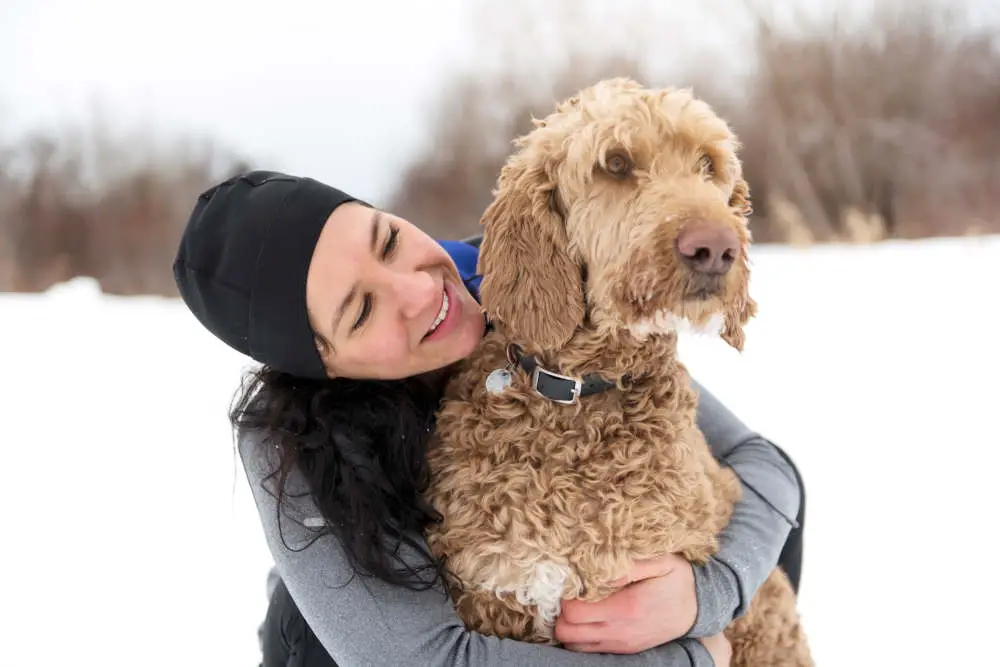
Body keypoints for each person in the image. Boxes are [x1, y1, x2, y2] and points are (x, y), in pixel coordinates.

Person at [173, 170, 805, 667]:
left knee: (754, 527)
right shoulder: (283, 442)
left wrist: (707, 596)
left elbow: (764, 466)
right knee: (312, 636)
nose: (421, 291)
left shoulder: (520, 280)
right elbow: (410, 659)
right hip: (375, 643)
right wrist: (689, 661)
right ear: (322, 367)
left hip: (556, 604)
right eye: (362, 311)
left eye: (389, 240)